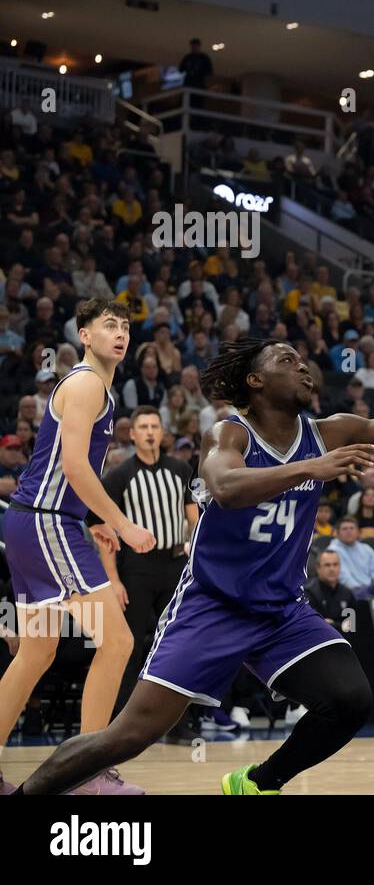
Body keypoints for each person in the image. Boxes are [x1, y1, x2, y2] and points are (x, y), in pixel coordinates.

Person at [11, 338, 374, 795]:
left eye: (305, 361)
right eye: (288, 360)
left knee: (349, 699)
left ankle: (257, 783)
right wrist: (311, 467)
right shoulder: (228, 434)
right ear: (256, 380)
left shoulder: (328, 431)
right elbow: (226, 488)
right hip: (213, 605)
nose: (305, 368)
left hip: (281, 609)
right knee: (126, 737)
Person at [0, 299, 156, 795]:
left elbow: (62, 472)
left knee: (35, 653)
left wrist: (89, 520)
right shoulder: (87, 382)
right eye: (109, 325)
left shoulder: (97, 388)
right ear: (84, 335)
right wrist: (121, 522)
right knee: (118, 642)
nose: (120, 333)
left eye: (126, 326)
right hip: (47, 527)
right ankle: (86, 774)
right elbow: (73, 466)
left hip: (32, 525)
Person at [91, 406, 199, 731]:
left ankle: (179, 722)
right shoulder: (119, 475)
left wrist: (194, 544)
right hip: (137, 567)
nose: (150, 431)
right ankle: (119, 724)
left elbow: (194, 517)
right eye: (144, 427)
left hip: (176, 563)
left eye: (155, 425)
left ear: (162, 433)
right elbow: (103, 532)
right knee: (132, 643)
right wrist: (112, 579)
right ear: (133, 434)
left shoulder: (181, 469)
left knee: (177, 642)